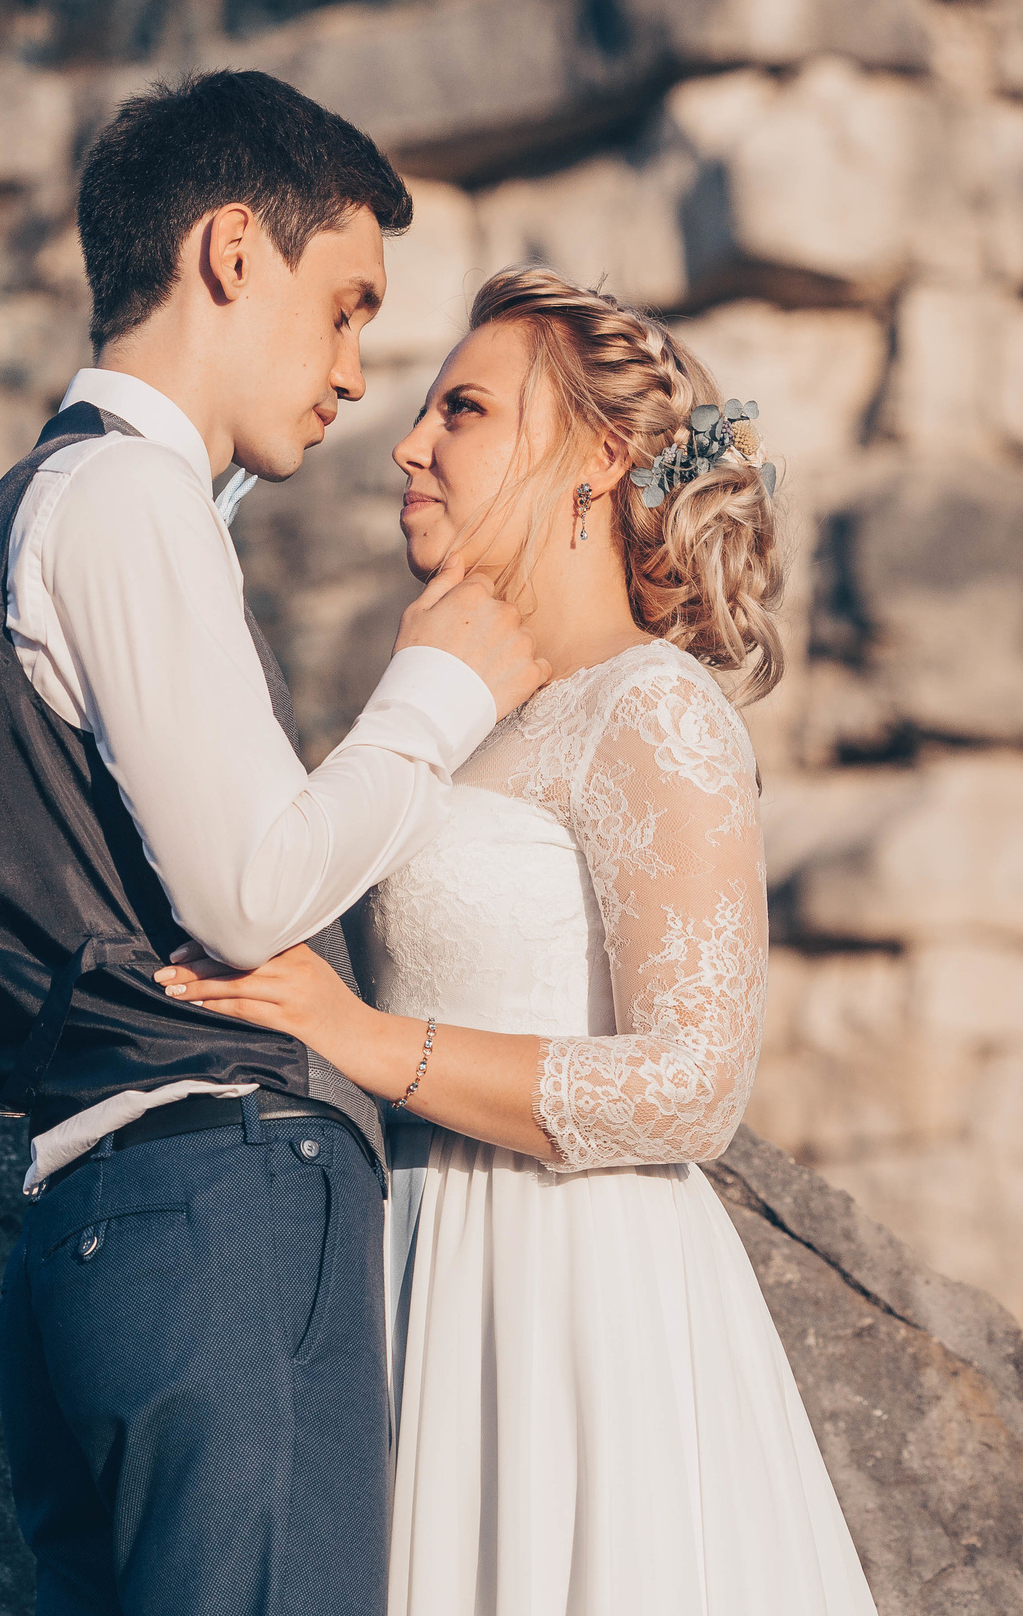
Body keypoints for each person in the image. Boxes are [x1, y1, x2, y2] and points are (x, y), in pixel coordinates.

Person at [158, 266, 878, 1614]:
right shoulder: (459, 715)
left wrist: (361, 1039)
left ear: (597, 462)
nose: (410, 445)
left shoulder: (651, 709)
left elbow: (696, 1083)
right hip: (419, 1269)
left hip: (575, 1297)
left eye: (465, 412)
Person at [0, 71, 545, 1616]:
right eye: (344, 307)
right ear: (227, 254)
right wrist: (441, 688)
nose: (355, 373)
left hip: (98, 1225)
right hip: (221, 1205)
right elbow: (249, 888)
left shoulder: (28, 510)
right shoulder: (128, 499)